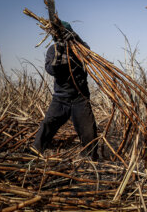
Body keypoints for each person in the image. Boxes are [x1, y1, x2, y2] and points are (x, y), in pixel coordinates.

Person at [32, 21, 99, 161]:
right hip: (60, 98)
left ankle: (90, 159)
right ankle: (35, 153)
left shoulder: (81, 48)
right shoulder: (53, 50)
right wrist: (59, 55)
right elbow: (51, 69)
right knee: (48, 124)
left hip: (80, 98)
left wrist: (75, 39)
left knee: (89, 132)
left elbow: (89, 55)